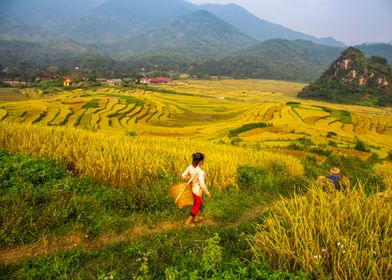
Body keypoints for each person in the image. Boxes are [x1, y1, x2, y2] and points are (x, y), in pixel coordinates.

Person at [181, 152, 212, 227]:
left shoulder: (190, 167)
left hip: (192, 189)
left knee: (197, 203)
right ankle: (187, 223)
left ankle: (196, 218)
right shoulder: (201, 172)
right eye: (203, 160)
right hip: (197, 191)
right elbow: (202, 184)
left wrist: (191, 180)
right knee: (197, 205)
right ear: (201, 161)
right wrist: (208, 193)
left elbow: (183, 175)